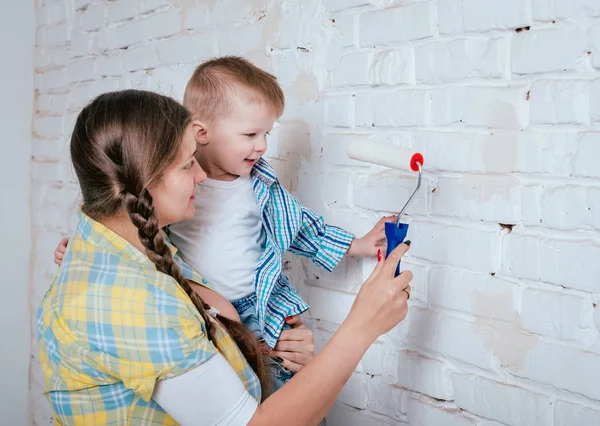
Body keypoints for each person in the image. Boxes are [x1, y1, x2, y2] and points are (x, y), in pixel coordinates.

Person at [39, 89, 412, 425]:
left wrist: (265, 347)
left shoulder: (135, 244)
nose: (202, 175)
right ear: (144, 179)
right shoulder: (128, 299)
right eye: (188, 164)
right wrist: (363, 324)